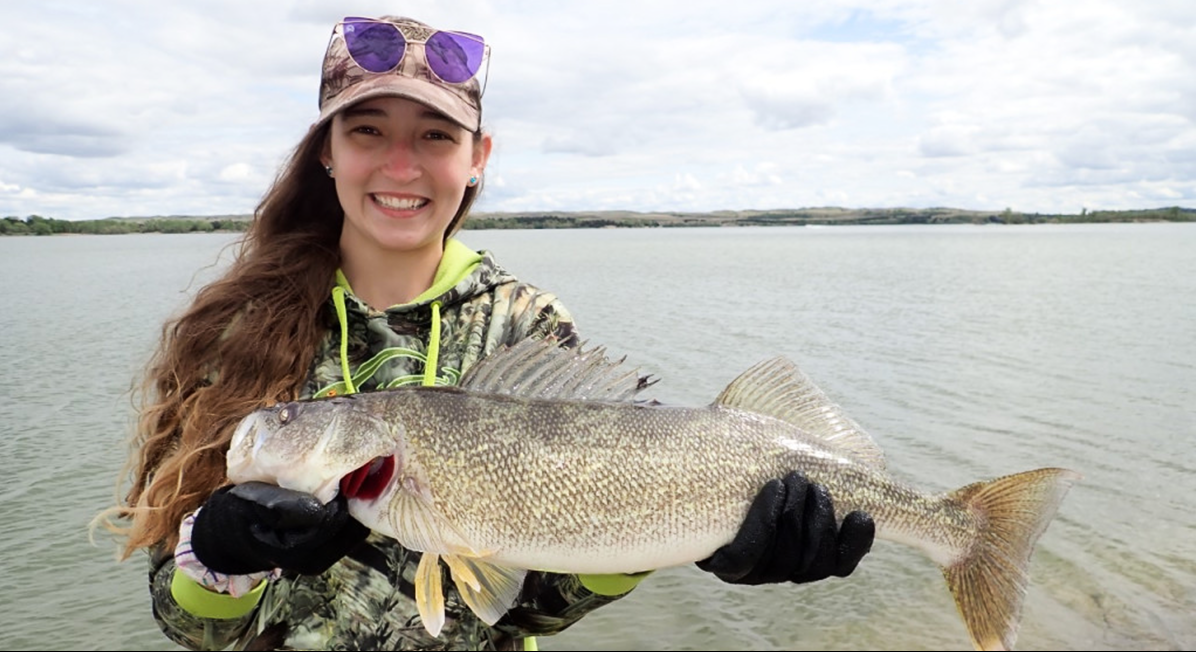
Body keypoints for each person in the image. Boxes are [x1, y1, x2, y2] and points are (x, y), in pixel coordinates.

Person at [98, 14, 876, 651]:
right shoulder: (233, 329)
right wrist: (222, 552)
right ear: (327, 154)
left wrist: (688, 540)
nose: (401, 165)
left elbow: (534, 608)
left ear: (478, 159)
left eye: (436, 137)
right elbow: (189, 626)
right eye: (367, 131)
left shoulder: (527, 325)